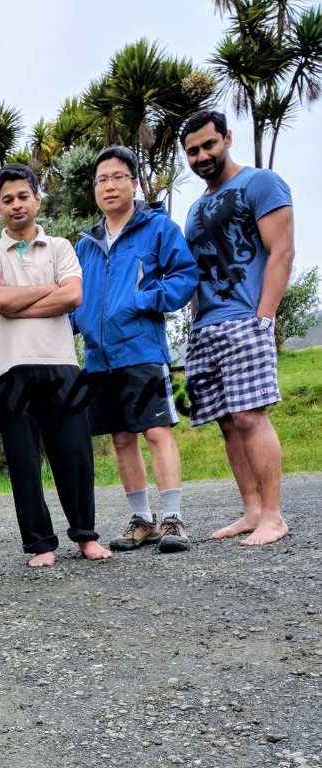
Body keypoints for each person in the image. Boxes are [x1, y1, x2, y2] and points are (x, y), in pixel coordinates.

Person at [0, 163, 112, 567]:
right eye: (7, 200)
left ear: (37, 198)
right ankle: (41, 544)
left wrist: (23, 298)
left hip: (61, 365)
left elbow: (73, 297)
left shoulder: (60, 248)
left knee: (74, 454)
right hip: (10, 370)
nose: (16, 205)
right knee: (23, 461)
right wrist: (48, 290)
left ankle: (86, 536)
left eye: (22, 196)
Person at [73, 146, 198, 554]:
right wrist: (80, 323)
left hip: (142, 350)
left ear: (134, 182)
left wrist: (144, 300)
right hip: (97, 358)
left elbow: (185, 276)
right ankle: (141, 520)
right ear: (95, 189)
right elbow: (74, 298)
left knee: (156, 431)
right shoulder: (86, 245)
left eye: (117, 177)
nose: (109, 185)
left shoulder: (158, 229)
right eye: (101, 179)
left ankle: (173, 519)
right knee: (121, 439)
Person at [180, 109, 294, 546]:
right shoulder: (194, 209)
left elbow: (281, 252)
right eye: (192, 151)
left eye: (209, 145)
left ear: (227, 138)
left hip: (246, 319)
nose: (202, 155)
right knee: (227, 421)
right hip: (205, 327)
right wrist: (194, 324)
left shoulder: (260, 183)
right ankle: (251, 511)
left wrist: (264, 317)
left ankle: (274, 516)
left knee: (250, 416)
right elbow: (195, 273)